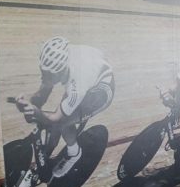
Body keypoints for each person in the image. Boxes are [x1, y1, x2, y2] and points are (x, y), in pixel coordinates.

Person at [13, 36, 114, 171]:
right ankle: (46, 157)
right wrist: (29, 103)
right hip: (91, 70)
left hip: (101, 91)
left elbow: (57, 118)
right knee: (54, 119)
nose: (44, 77)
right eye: (43, 72)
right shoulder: (55, 63)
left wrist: (36, 113)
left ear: (61, 71)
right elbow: (42, 94)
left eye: (49, 75)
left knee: (63, 123)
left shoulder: (77, 88)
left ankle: (74, 153)